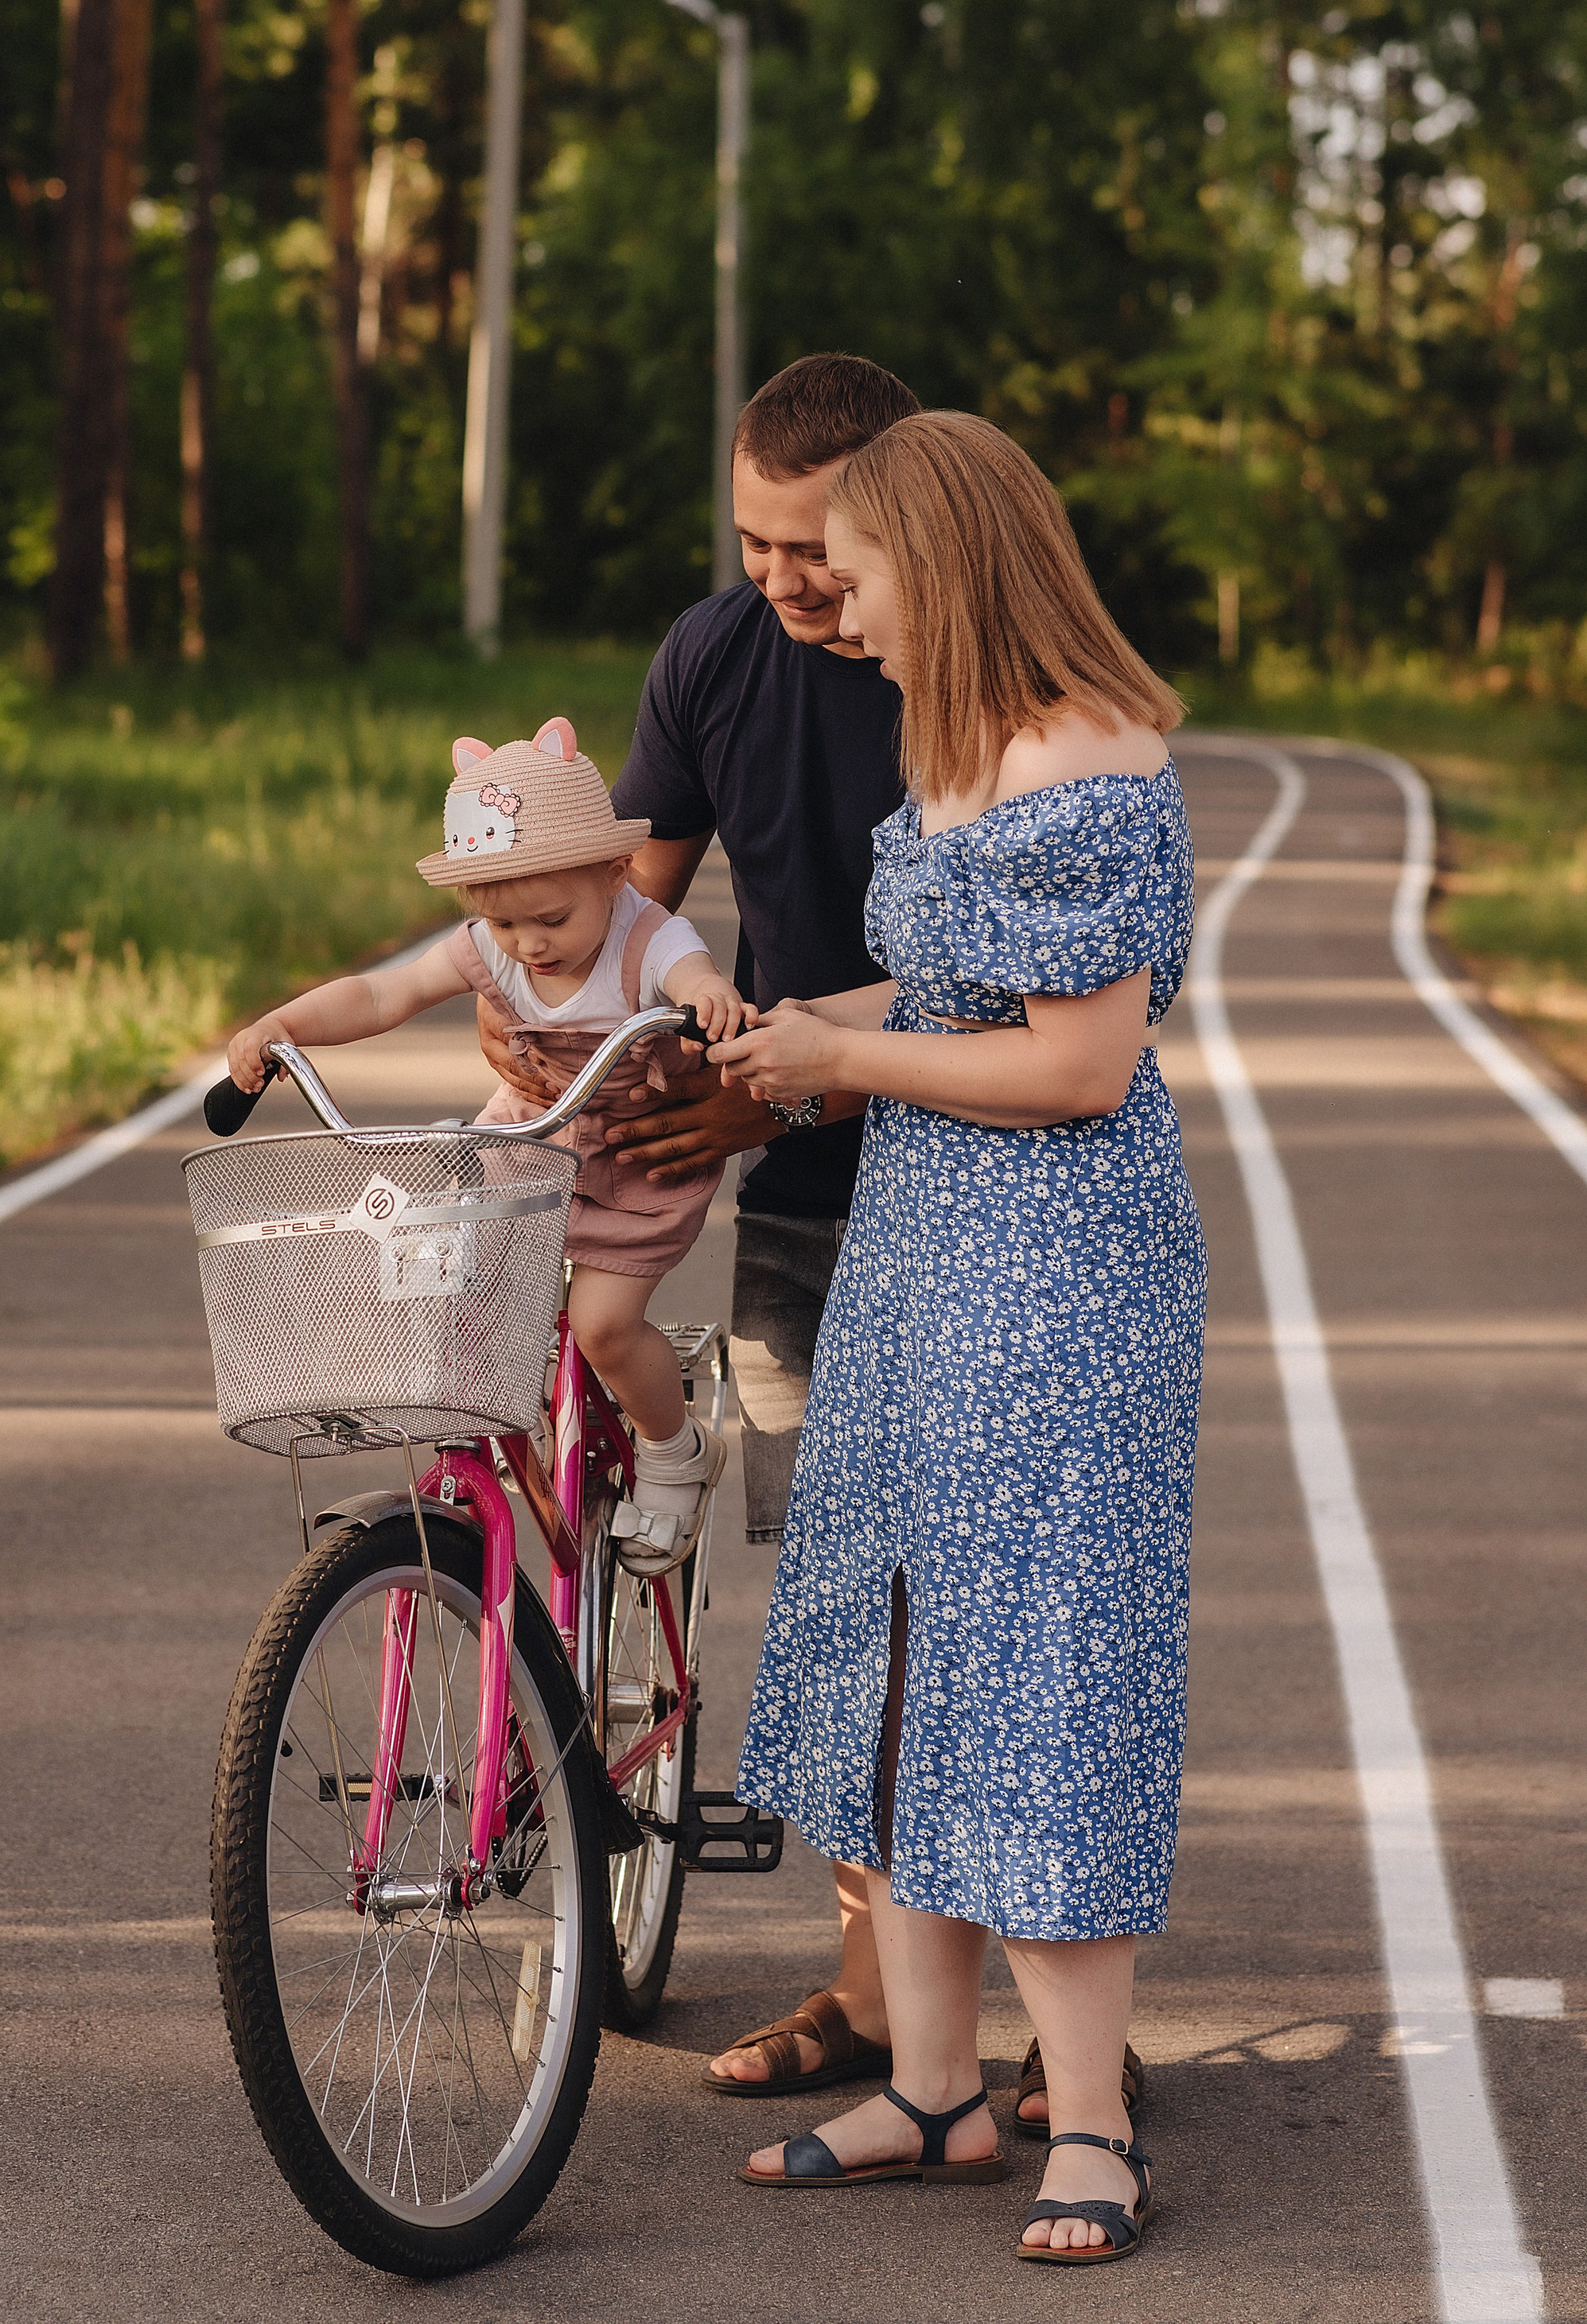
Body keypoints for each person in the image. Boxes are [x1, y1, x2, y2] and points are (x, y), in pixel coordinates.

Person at [708, 411, 1205, 2265]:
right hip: (920, 1251)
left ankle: (1082, 2118)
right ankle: (932, 2084)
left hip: (1056, 1277)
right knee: (898, 1654)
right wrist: (777, 1035)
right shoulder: (957, 754)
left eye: (860, 564)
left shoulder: (1085, 763)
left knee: (1041, 1665)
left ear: (958, 564)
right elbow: (937, 1000)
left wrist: (842, 1058)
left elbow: (1076, 1065)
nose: (832, 594)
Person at [480, 352, 942, 2104]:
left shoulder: (957, 674)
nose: (784, 578)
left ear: (900, 515)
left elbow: (1014, 990)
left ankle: (954, 2004)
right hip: (801, 1198)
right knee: (841, 1595)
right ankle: (875, 1983)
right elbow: (625, 907)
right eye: (752, 540)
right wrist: (533, 998)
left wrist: (782, 1080)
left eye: (813, 545)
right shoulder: (712, 654)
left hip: (953, 1172)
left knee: (943, 1603)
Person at [222, 716, 746, 1572]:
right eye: (503, 925)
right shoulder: (491, 946)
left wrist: (709, 1001)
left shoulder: (648, 938)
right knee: (455, 1289)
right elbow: (383, 992)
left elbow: (693, 977)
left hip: (633, 1156)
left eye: (549, 918)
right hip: (531, 1145)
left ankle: (673, 1449)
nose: (527, 944)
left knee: (604, 1325)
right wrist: (285, 1025)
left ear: (615, 873)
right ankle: (492, 1445)